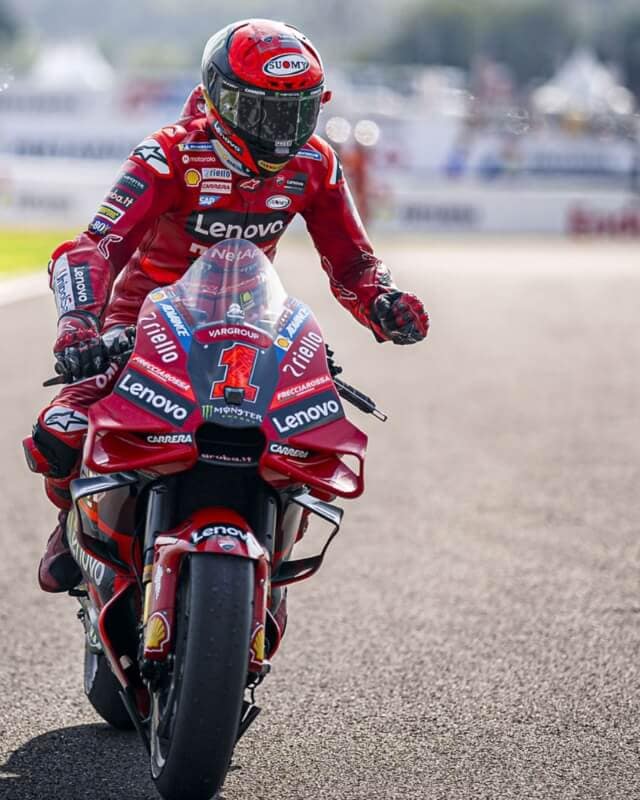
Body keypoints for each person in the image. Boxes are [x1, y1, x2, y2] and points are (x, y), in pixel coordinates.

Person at [22, 18, 429, 594]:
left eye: (297, 113)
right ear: (220, 101)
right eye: (265, 113)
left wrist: (382, 301)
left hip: (250, 326)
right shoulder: (167, 155)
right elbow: (94, 247)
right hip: (141, 325)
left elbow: (353, 262)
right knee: (58, 432)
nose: (281, 133)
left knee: (303, 443)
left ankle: (273, 560)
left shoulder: (315, 163)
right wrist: (79, 325)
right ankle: (70, 526)